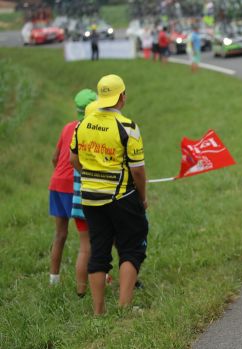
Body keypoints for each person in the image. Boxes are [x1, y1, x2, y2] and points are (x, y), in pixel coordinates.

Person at [70, 74, 149, 315]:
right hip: (122, 197)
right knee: (132, 248)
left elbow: (74, 160)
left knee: (100, 250)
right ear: (122, 97)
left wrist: (92, 175)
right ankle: (124, 308)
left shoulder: (82, 125)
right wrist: (142, 197)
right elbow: (138, 172)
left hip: (90, 199)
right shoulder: (128, 127)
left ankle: (98, 311)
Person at [48, 89, 95, 288]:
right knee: (89, 239)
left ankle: (54, 280)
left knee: (60, 234)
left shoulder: (68, 127)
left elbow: (55, 157)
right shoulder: (91, 130)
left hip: (55, 184)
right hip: (74, 188)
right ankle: (92, 279)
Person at [71, 89, 98, 297]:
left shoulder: (76, 130)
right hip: (96, 198)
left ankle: (81, 290)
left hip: (78, 200)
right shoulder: (94, 130)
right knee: (103, 244)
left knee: (84, 248)